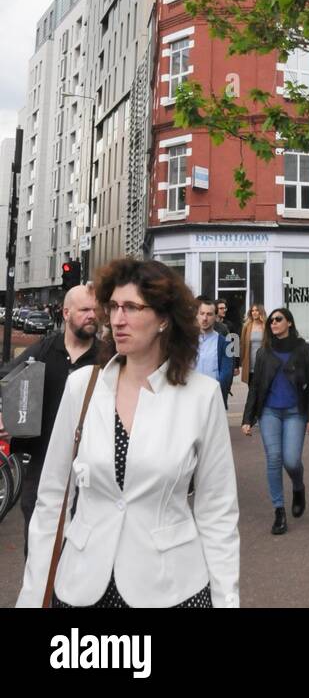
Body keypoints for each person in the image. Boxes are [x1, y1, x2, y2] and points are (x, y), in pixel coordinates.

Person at [17, 258, 239, 608]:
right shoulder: (83, 387)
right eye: (114, 307)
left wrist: (227, 600)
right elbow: (52, 499)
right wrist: (31, 597)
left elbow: (217, 511)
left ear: (164, 319)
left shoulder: (202, 396)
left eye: (132, 307)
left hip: (171, 587)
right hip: (82, 584)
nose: (117, 319)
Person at [0, 283, 101, 552]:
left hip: (91, 469)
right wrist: (5, 415)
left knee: (83, 549)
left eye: (95, 309)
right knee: (38, 547)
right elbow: (9, 379)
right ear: (66, 312)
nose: (92, 315)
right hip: (43, 464)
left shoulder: (106, 358)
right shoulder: (44, 351)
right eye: (84, 310)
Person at [241, 307, 309, 535]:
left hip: (296, 412)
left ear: (289, 323)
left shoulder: (302, 349)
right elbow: (255, 387)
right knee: (274, 459)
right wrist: (248, 418)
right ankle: (279, 511)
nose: (273, 323)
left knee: (292, 461)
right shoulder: (264, 352)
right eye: (271, 321)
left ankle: (298, 486)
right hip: (269, 413)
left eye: (278, 320)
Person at [195, 297, 234, 405]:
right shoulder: (187, 342)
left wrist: (220, 394)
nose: (205, 318)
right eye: (202, 313)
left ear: (215, 317)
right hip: (192, 398)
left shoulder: (226, 342)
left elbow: (226, 372)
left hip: (214, 398)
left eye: (209, 314)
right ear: (197, 315)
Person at [239, 304, 267, 387]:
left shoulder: (266, 326)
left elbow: (270, 339)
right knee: (251, 389)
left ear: (261, 312)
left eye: (257, 310)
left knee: (262, 390)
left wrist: (264, 323)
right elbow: (242, 344)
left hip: (263, 363)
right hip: (250, 362)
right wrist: (241, 361)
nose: (254, 312)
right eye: (252, 310)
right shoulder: (246, 326)